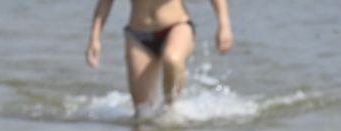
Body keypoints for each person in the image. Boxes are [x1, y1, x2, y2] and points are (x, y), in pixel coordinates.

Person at [86, 0, 233, 115]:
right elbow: (105, 2)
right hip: (138, 36)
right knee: (143, 113)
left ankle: (171, 109)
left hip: (176, 26)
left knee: (172, 59)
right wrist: (94, 39)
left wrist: (224, 26)